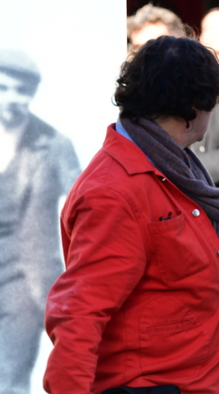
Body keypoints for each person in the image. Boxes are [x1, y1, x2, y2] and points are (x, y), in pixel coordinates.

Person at [43, 36, 219, 394]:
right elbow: (79, 316)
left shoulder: (176, 168)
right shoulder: (115, 191)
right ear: (193, 108)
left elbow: (193, 291)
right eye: (215, 104)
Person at [0, 49, 80, 394]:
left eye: (22, 91)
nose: (12, 99)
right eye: (3, 88)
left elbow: (85, 205)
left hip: (24, 280)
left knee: (10, 377)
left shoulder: (54, 143)